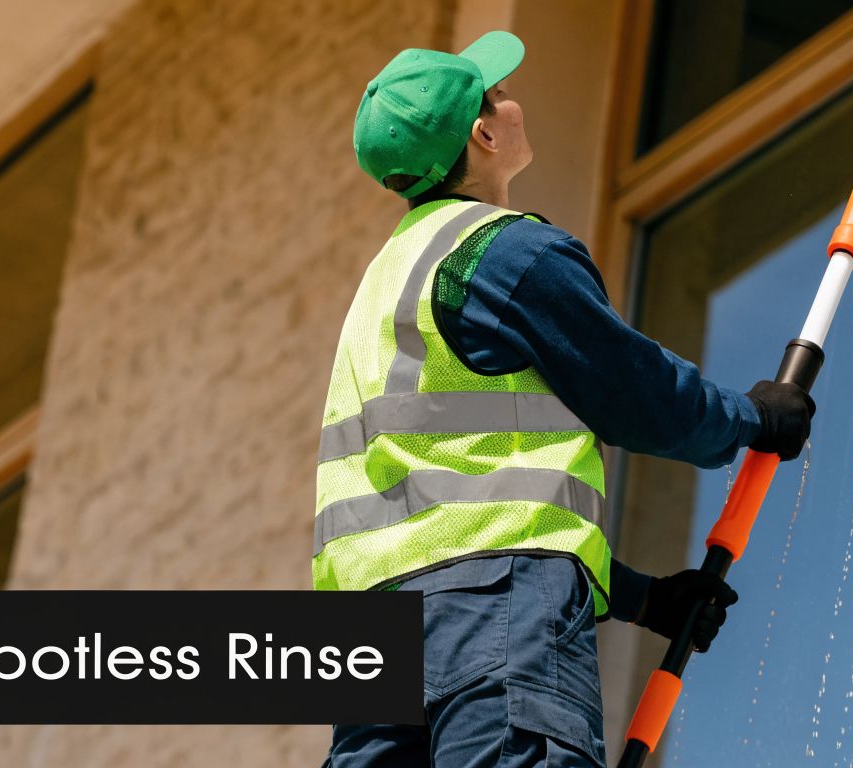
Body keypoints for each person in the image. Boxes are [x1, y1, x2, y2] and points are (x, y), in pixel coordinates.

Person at [316, 30, 815, 768]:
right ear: (484, 132)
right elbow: (634, 392)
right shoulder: (504, 254)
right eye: (498, 95)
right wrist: (754, 418)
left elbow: (450, 513)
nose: (513, 102)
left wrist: (644, 598)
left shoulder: (380, 292)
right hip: (495, 622)